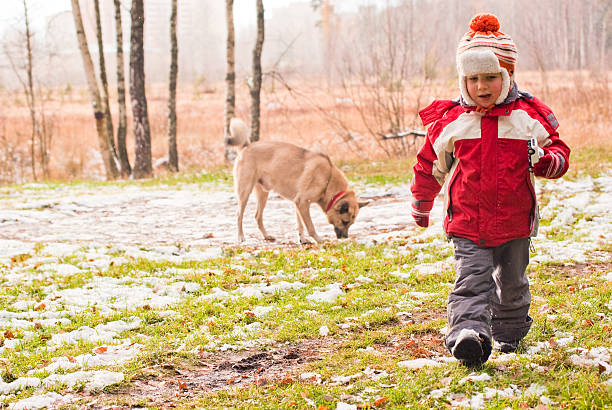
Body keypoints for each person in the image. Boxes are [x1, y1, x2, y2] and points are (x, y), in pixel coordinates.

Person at [410, 13, 570, 367]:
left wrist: (546, 161)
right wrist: (422, 202)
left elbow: (559, 152)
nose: (481, 86)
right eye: (473, 78)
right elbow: (429, 165)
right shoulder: (452, 122)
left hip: (514, 221)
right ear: (462, 80)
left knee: (512, 284)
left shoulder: (527, 118)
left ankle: (509, 333)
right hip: (467, 222)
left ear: (507, 76)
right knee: (472, 281)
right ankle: (469, 335)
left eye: (490, 77)